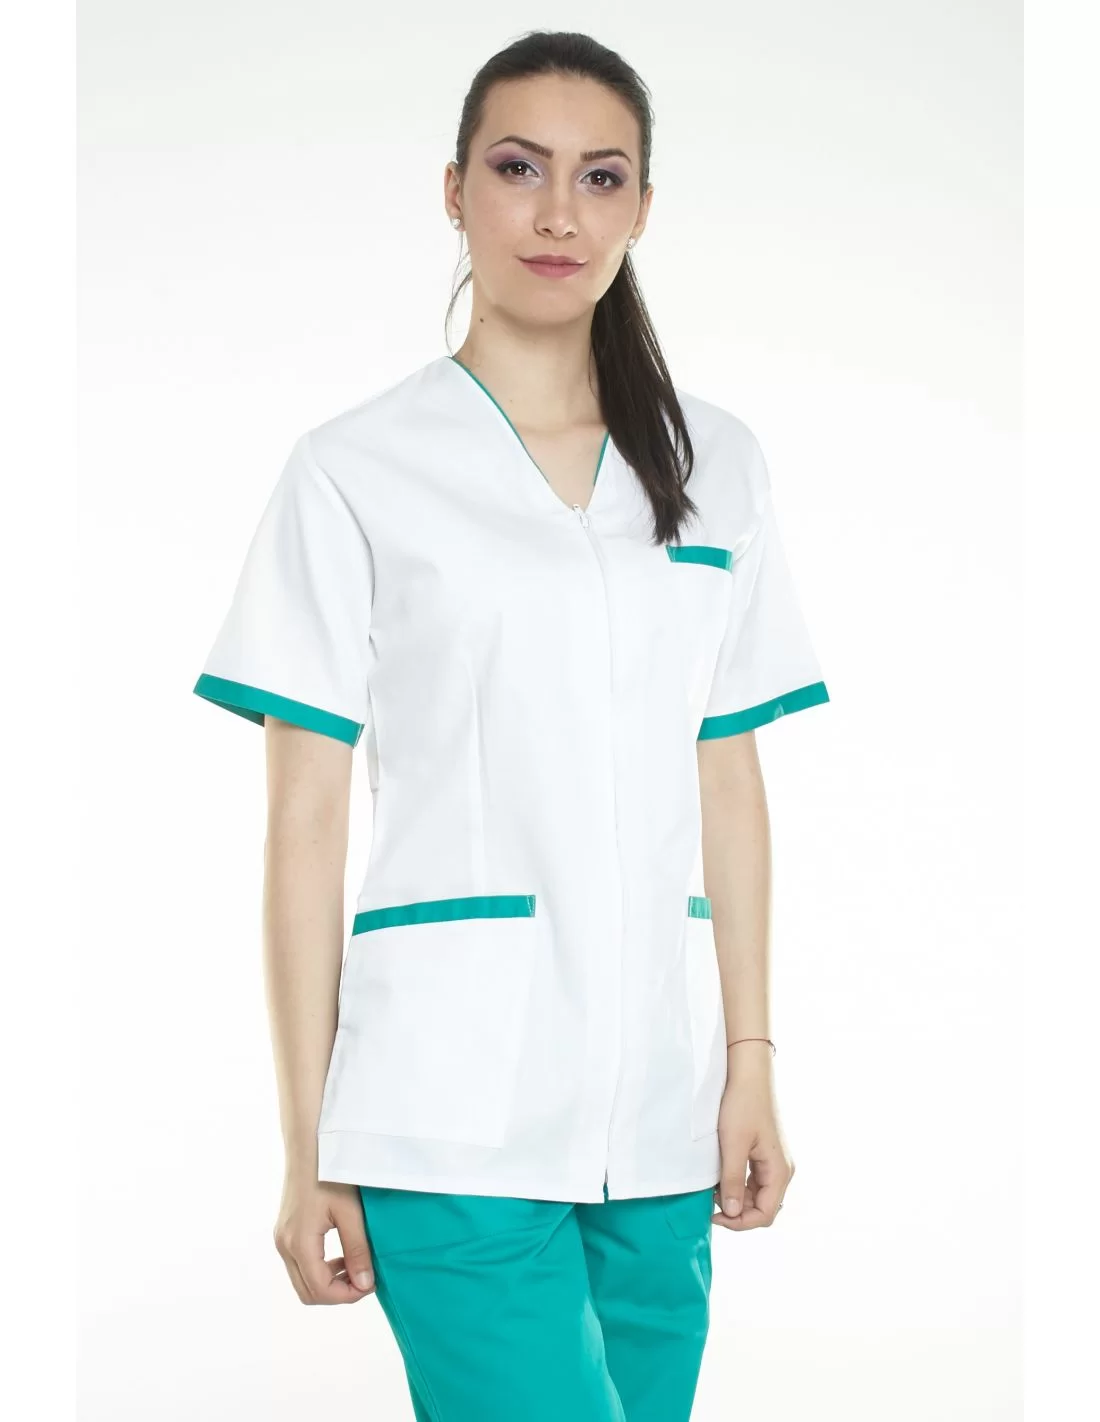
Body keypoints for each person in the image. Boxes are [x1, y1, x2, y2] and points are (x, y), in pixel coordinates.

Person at [192, 29, 830, 1422]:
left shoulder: (717, 463)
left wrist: (751, 1061)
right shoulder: (354, 471)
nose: (558, 214)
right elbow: (304, 823)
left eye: (601, 177)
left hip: (659, 1119)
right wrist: (308, 1143)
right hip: (445, 1109)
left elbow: (727, 774)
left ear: (643, 208)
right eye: (519, 168)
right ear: (454, 191)